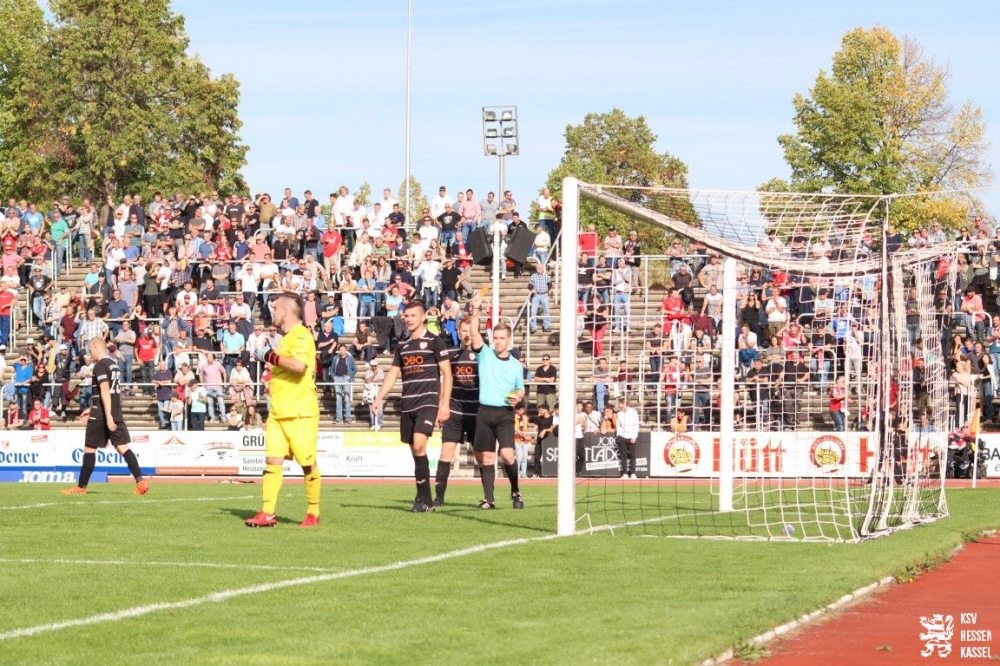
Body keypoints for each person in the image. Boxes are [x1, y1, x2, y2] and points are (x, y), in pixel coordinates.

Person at [245, 292, 322, 528]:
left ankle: (313, 511)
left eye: (276, 308)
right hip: (279, 412)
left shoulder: (301, 335)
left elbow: (299, 366)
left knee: (307, 463)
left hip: (300, 413)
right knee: (272, 461)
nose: (273, 312)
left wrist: (269, 356)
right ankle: (267, 512)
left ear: (286, 312)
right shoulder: (286, 338)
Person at [372, 300, 453, 512]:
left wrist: (444, 405)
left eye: (413, 315)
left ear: (423, 317)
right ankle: (424, 499)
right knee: (416, 453)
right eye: (406, 316)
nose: (408, 319)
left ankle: (422, 498)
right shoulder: (403, 345)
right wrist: (379, 398)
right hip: (408, 404)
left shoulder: (435, 342)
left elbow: (447, 373)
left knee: (419, 444)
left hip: (428, 401)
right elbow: (393, 374)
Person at [61, 337, 149, 496]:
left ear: (96, 347)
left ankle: (81, 487)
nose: (90, 354)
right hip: (115, 411)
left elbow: (105, 390)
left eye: (90, 350)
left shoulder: (100, 365)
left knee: (89, 449)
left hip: (102, 415)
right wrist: (93, 408)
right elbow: (112, 393)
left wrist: (107, 415)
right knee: (122, 447)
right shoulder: (113, 364)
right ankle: (140, 481)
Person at [468, 292, 525, 509]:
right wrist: (476, 310)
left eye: (502, 338)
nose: (498, 341)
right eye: (496, 338)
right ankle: (489, 499)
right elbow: (474, 333)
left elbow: (520, 389)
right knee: (486, 458)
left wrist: (517, 397)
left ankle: (515, 491)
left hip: (504, 414)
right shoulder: (485, 355)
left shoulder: (516, 365)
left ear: (509, 340)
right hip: (485, 412)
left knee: (508, 455)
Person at [436, 318, 478, 506]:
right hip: (454, 412)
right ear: (458, 332)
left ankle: (489, 498)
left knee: (482, 456)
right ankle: (439, 498)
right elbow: (443, 381)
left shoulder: (482, 354)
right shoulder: (450, 354)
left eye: (470, 330)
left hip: (476, 413)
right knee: (446, 453)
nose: (467, 334)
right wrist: (440, 407)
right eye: (464, 330)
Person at [615, 396, 640, 478]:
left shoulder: (633, 412)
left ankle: (633, 473)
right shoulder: (619, 414)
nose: (618, 405)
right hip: (622, 437)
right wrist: (619, 436)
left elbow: (636, 425)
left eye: (620, 404)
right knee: (623, 456)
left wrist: (634, 436)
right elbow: (618, 426)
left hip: (631, 437)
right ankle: (625, 473)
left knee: (633, 456)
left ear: (624, 403)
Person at [514, 402, 532, 479]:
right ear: (516, 410)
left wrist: (528, 436)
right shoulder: (513, 417)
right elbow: (512, 427)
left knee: (525, 458)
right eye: (521, 410)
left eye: (523, 410)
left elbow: (527, 427)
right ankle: (517, 473)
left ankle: (523, 474)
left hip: (524, 440)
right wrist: (517, 431)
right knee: (519, 458)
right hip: (517, 440)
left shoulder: (525, 417)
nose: (522, 411)